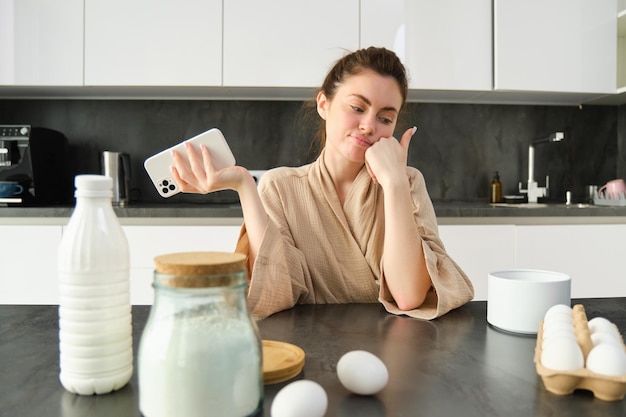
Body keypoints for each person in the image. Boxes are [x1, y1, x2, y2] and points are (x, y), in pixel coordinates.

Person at [171, 46, 474, 319]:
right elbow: (278, 290)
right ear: (323, 104)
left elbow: (408, 297)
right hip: (308, 348)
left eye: (385, 118)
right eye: (357, 108)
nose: (369, 125)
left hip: (395, 351)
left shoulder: (406, 182)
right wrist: (244, 186)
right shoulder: (281, 186)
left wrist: (394, 184)